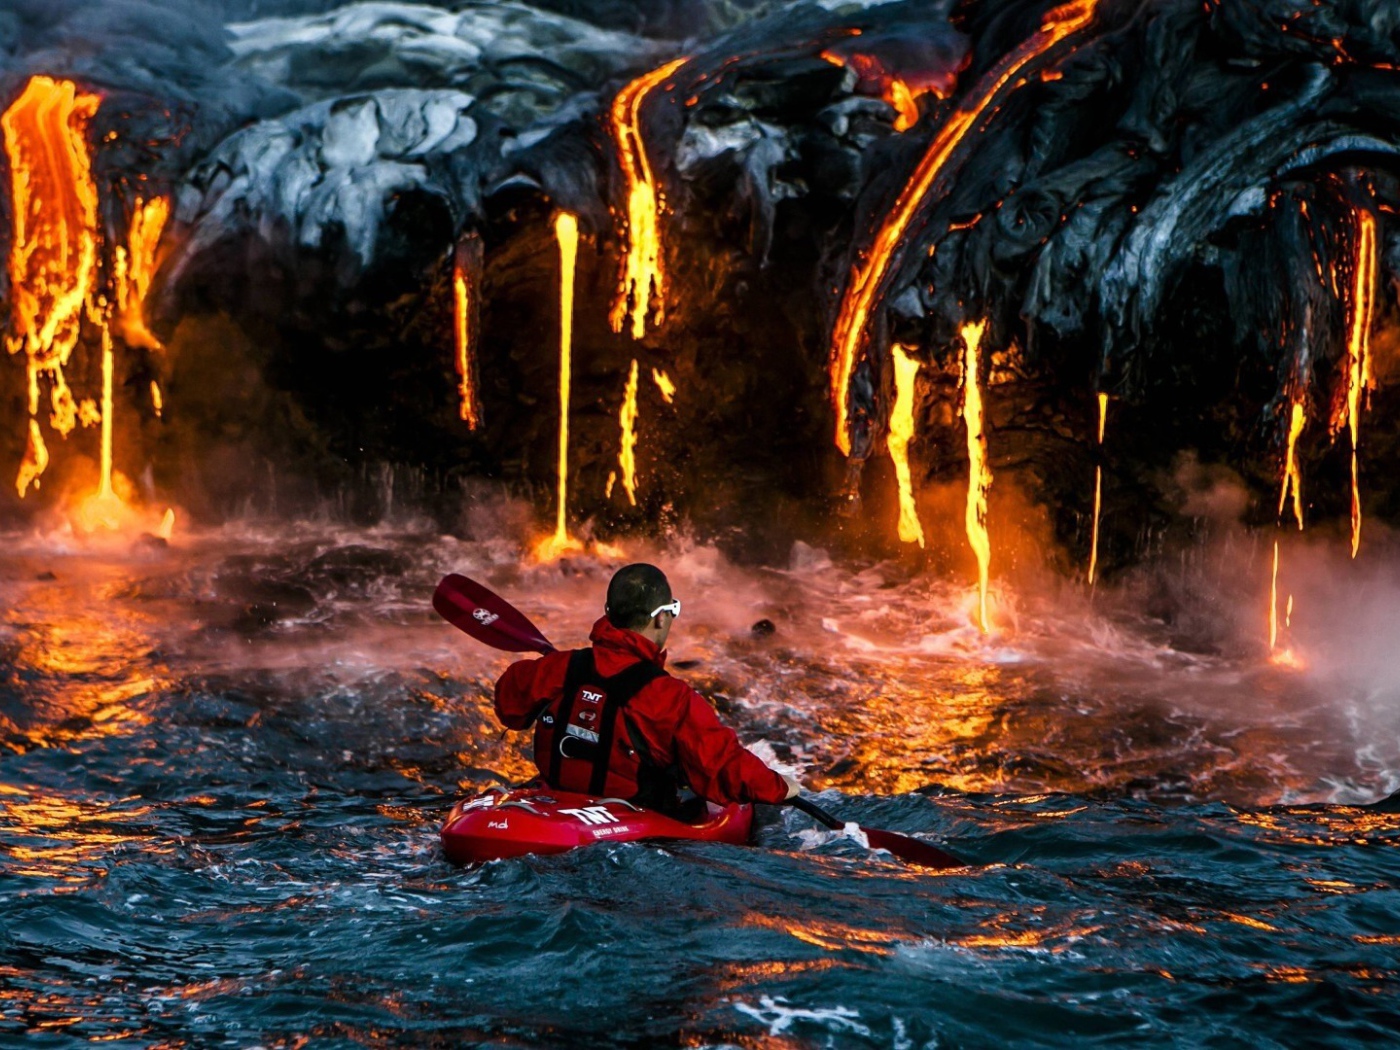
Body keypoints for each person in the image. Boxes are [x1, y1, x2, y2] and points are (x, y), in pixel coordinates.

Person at [494, 563, 801, 816]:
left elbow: (508, 705)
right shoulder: (670, 698)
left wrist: (560, 673)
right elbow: (722, 764)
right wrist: (780, 786)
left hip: (551, 810)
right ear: (661, 617)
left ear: (608, 612)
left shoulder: (557, 668)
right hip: (629, 827)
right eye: (673, 611)